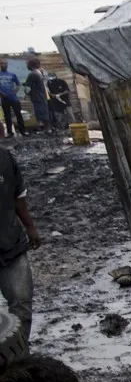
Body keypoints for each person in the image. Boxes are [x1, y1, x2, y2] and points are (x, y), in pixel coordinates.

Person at [0, 144, 41, 342]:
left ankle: (20, 357)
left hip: (10, 244)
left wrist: (30, 226)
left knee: (22, 305)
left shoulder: (4, 158)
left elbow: (18, 196)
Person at [0, 60, 26, 138]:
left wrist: (14, 92)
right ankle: (10, 133)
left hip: (14, 99)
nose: (4, 65)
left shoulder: (12, 75)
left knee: (18, 114)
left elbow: (18, 84)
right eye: (2, 63)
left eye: (5, 63)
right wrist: (1, 93)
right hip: (4, 99)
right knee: (7, 116)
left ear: (7, 65)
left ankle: (23, 131)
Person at [24, 59, 50, 132]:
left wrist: (26, 93)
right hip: (42, 95)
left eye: (28, 65)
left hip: (37, 96)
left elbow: (27, 87)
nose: (27, 66)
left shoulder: (32, 74)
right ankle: (46, 129)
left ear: (31, 65)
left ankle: (45, 128)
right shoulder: (39, 72)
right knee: (44, 111)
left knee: (40, 112)